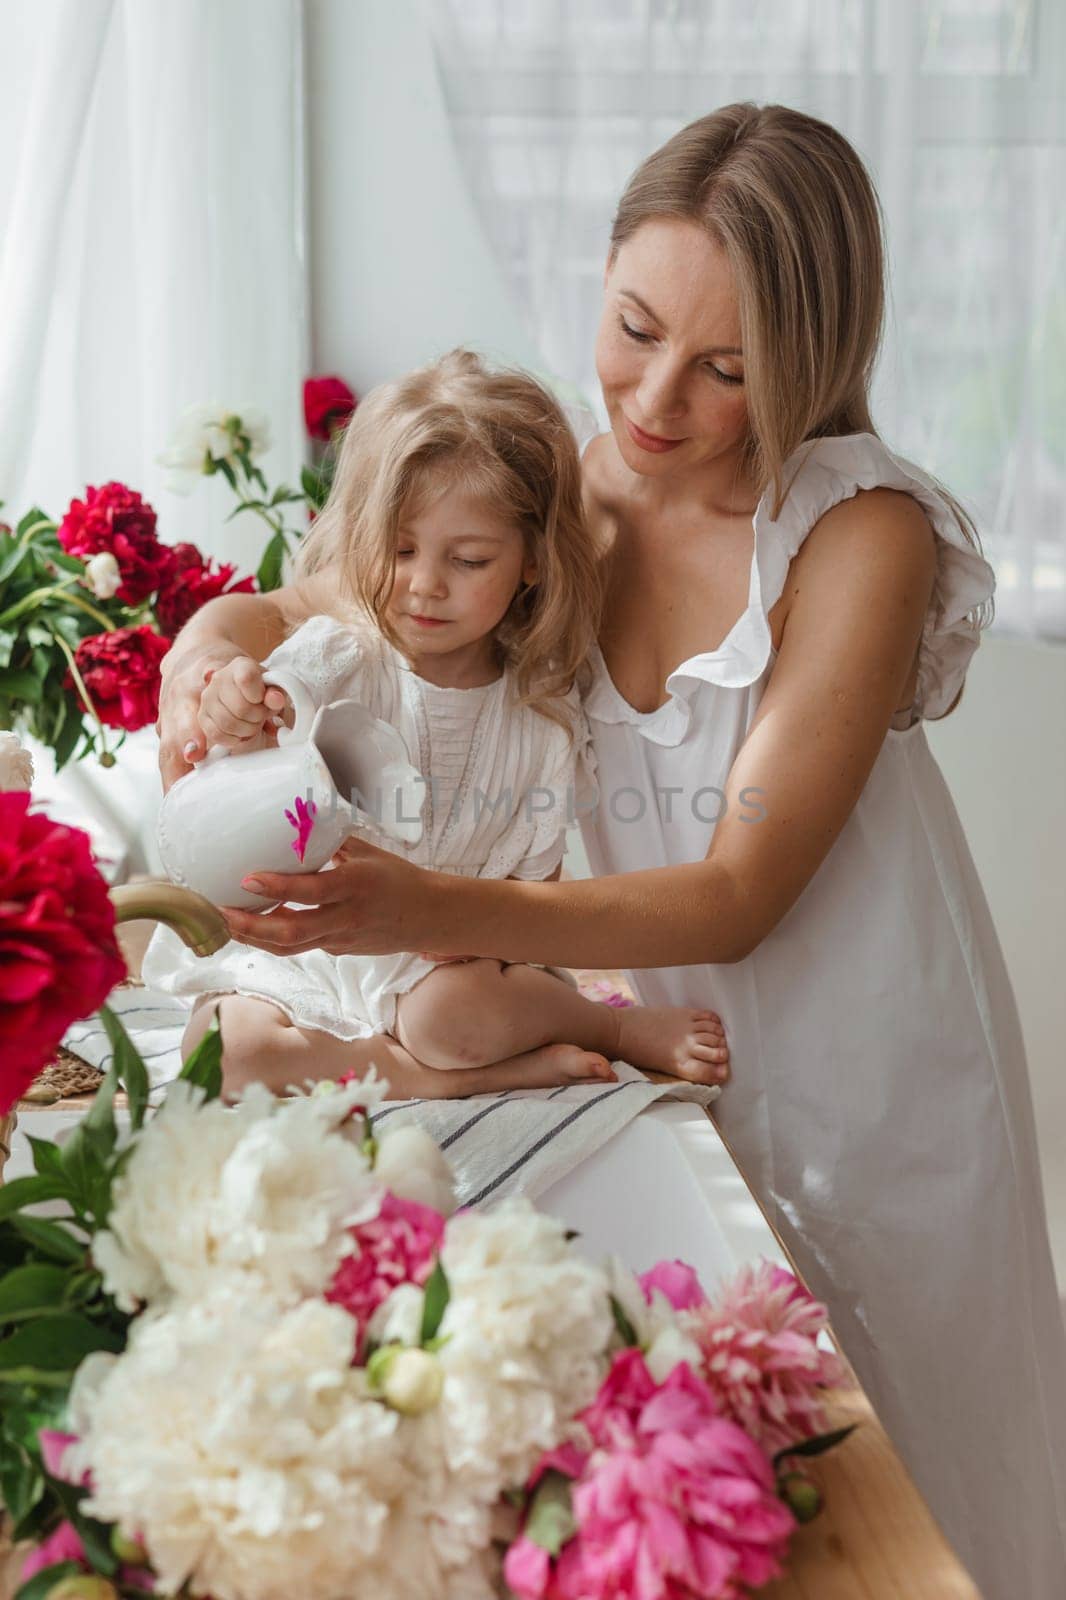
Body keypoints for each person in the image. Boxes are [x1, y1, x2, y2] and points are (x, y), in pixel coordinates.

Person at [157, 104, 1066, 1594]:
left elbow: (738, 892)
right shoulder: (549, 490)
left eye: (725, 369)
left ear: (813, 355)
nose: (655, 397)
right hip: (632, 1047)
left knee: (922, 1463)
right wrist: (209, 653)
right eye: (634, 326)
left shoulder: (856, 534)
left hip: (861, 1061)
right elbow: (322, 607)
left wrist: (420, 902)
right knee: (687, 1466)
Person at [144, 351, 729, 1095]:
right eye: (401, 549)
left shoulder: (539, 716)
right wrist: (233, 700)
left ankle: (612, 1028)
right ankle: (436, 1083)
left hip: (442, 968)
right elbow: (257, 731)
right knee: (224, 1053)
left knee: (454, 1022)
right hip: (314, 956)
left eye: (470, 559)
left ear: (532, 562)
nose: (425, 584)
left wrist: (499, 955)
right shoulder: (339, 651)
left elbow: (535, 892)